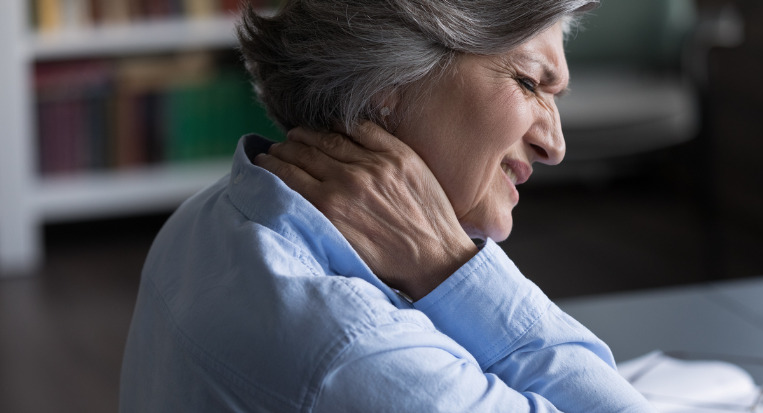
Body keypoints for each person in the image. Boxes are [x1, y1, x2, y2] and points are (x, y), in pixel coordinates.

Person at [120, 1, 655, 411]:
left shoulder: (209, 214)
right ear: (391, 79)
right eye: (530, 82)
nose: (554, 145)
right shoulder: (357, 353)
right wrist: (449, 265)